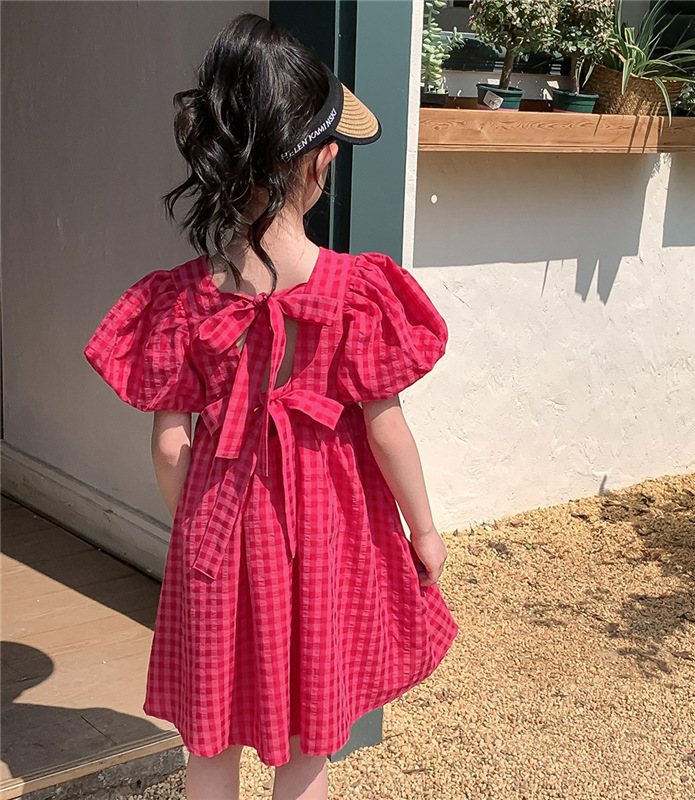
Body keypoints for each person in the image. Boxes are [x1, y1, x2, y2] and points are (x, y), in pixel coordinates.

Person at [83, 13, 458, 800]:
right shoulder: (358, 292)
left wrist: (202, 527)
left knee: (211, 742)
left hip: (217, 541)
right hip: (328, 538)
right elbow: (387, 430)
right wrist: (422, 529)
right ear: (322, 160)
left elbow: (169, 446)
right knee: (305, 747)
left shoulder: (179, 301)